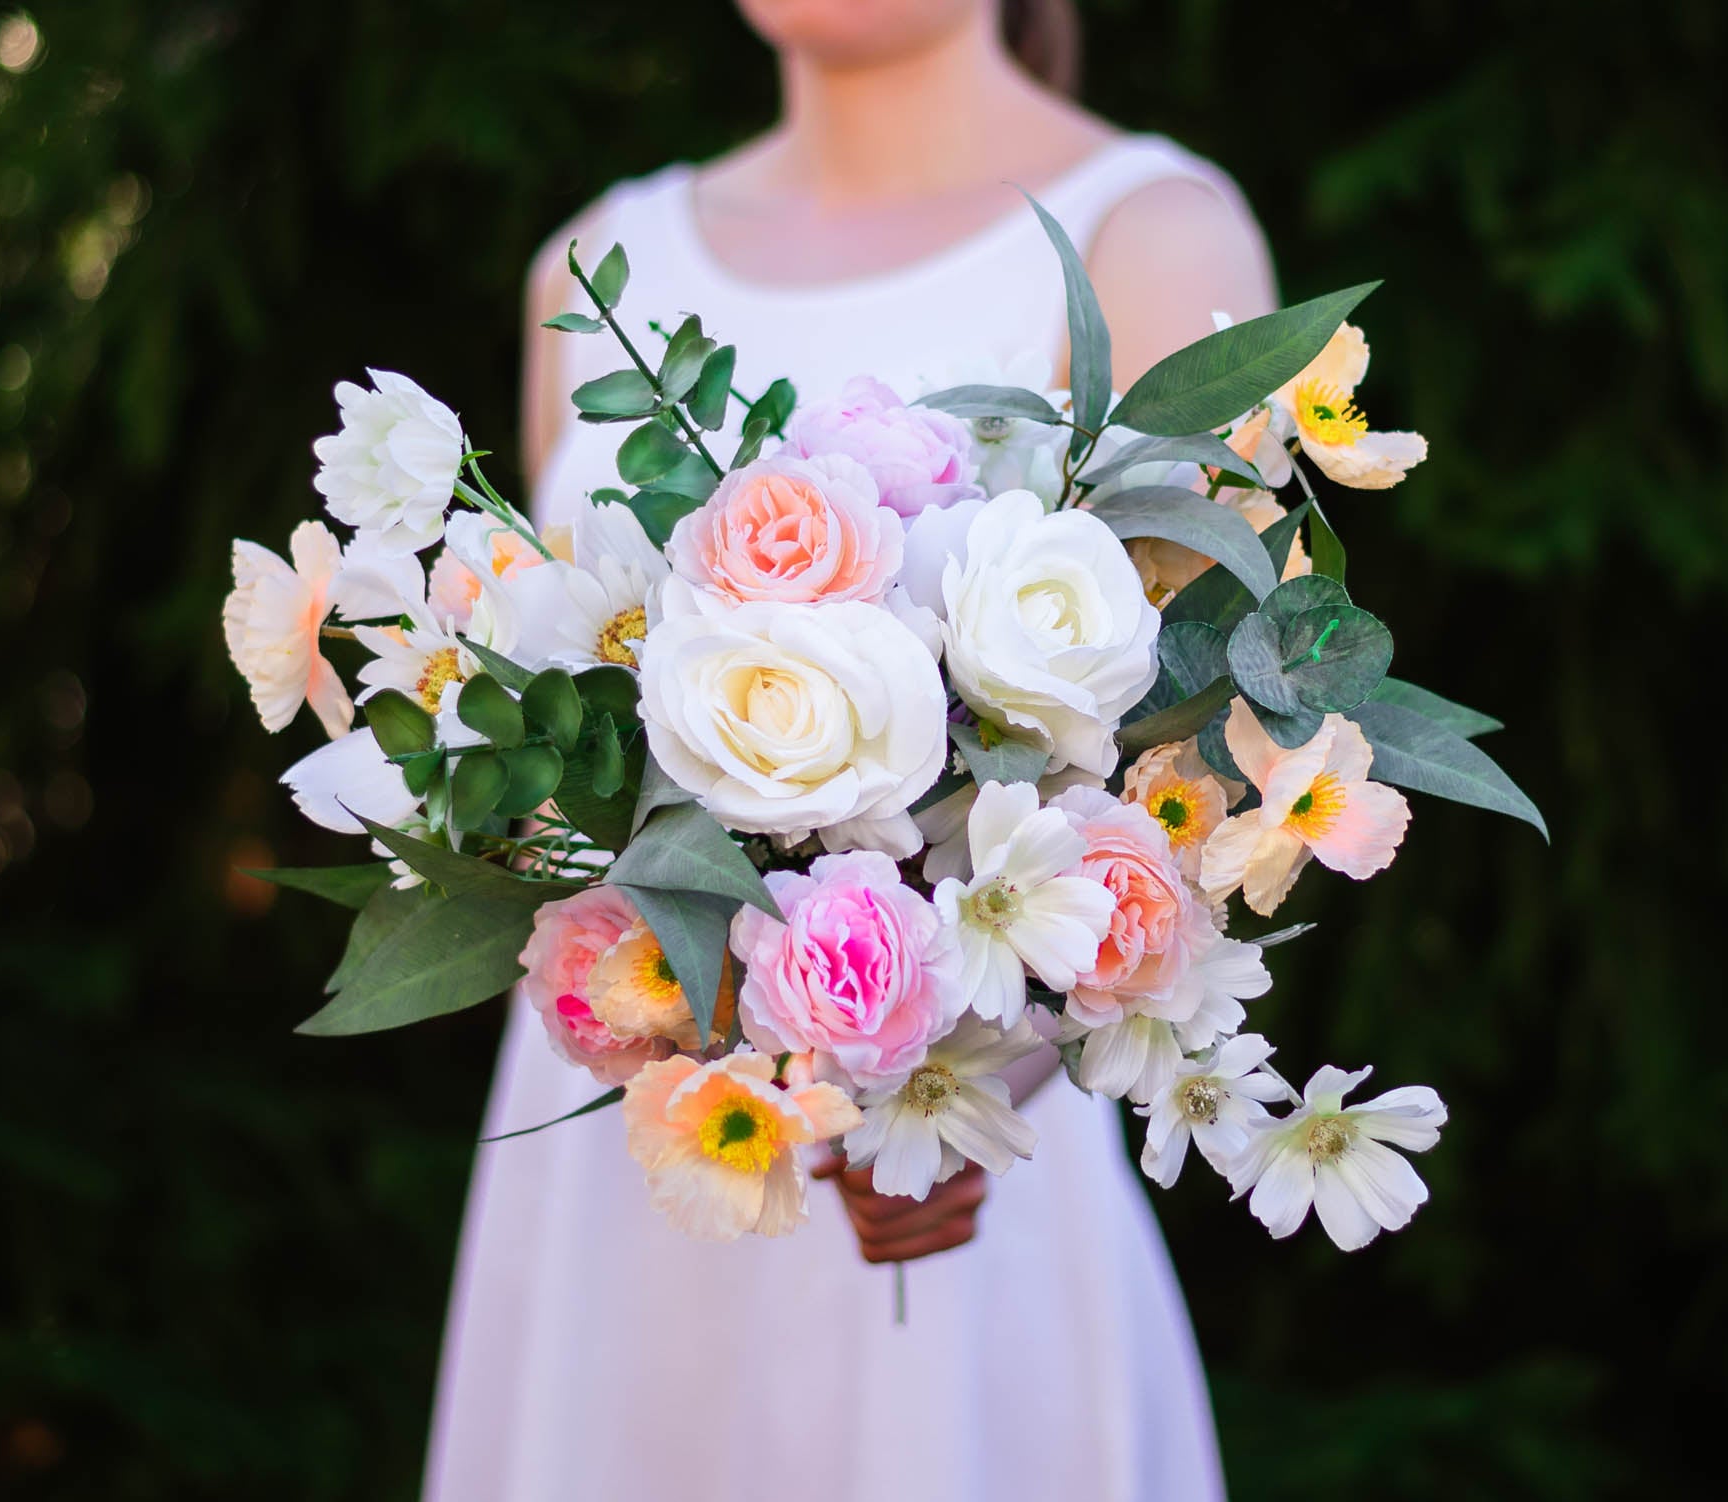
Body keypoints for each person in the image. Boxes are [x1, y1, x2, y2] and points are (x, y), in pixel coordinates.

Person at [422, 3, 1276, 1497]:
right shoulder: (591, 269)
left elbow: (1208, 794)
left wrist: (974, 1085)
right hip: (613, 1185)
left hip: (947, 1188)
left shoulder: (1152, 239)